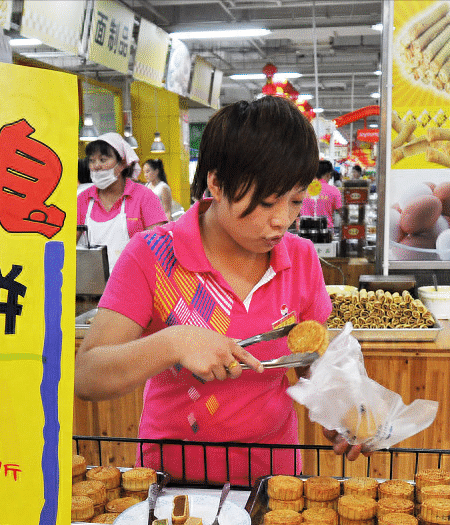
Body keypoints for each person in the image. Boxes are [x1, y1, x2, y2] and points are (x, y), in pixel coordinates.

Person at [74, 97, 354, 486]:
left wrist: (338, 406)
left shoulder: (301, 257)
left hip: (274, 483)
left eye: (294, 201)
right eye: (266, 202)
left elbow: (312, 359)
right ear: (217, 184)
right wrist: (172, 343)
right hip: (174, 485)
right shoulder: (152, 254)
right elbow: (86, 377)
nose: (281, 221)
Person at [76, 133, 167, 271]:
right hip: (92, 288)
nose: (96, 166)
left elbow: (159, 247)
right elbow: (68, 245)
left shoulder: (144, 197)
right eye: (92, 161)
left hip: (134, 286)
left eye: (103, 159)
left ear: (122, 163)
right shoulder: (83, 199)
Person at [300, 159, 343, 229]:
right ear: (328, 174)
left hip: (305, 232)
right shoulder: (334, 190)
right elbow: (342, 213)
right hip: (325, 232)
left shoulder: (303, 189)